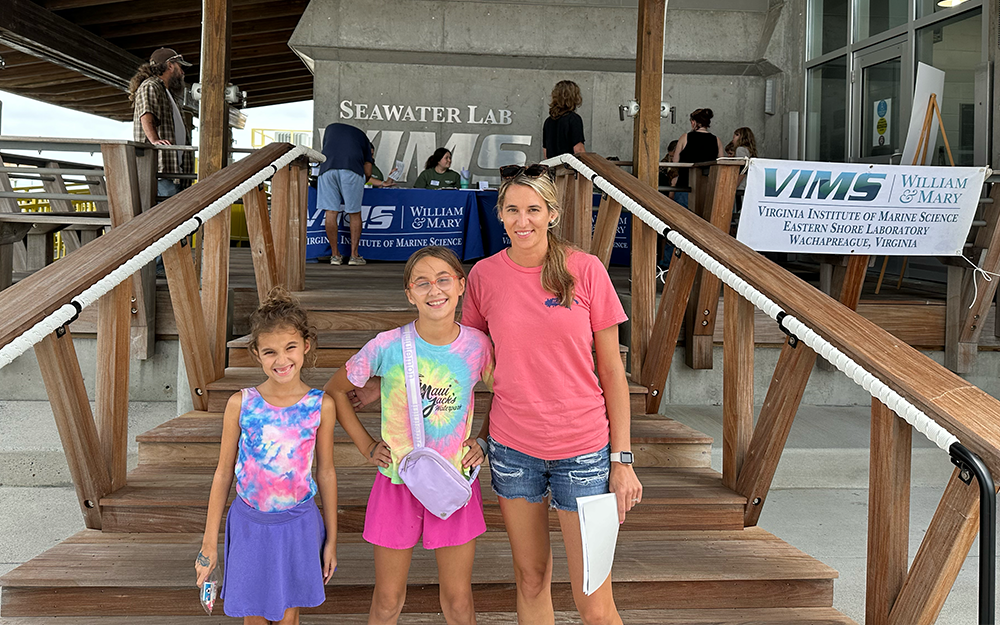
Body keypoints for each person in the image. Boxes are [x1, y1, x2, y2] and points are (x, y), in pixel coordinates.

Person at [463, 164, 642, 625]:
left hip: (583, 452)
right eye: (512, 209)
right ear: (500, 215)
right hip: (512, 450)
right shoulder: (483, 277)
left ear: (553, 214)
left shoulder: (585, 270)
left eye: (534, 209)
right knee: (531, 579)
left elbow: (612, 371)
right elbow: (463, 364)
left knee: (594, 600)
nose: (523, 220)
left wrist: (621, 459)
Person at [324, 246, 493, 625]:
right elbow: (335, 390)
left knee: (458, 600)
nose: (434, 290)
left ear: (461, 285)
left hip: (453, 481)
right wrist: (367, 445)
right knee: (386, 600)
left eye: (444, 280)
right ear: (409, 293)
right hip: (396, 483)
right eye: (422, 283)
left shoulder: (478, 347)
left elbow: (506, 393)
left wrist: (483, 440)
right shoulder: (387, 346)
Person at [195, 289, 337, 624]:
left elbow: (327, 472)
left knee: (289, 617)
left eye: (290, 347)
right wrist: (209, 543)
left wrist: (332, 539)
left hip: (299, 525)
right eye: (270, 351)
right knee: (253, 617)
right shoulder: (241, 404)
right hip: (249, 525)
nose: (281, 359)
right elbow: (223, 473)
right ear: (257, 355)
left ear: (306, 345)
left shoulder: (321, 406)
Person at [129, 47, 195, 199]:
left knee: (177, 216)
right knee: (168, 216)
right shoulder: (150, 86)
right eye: (180, 67)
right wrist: (154, 141)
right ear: (170, 65)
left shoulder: (168, 93)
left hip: (174, 169)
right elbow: (146, 114)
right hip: (160, 169)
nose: (183, 72)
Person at [319, 122, 375, 266]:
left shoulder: (330, 129)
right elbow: (368, 170)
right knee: (354, 213)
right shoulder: (364, 140)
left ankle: (335, 256)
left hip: (327, 169)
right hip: (351, 169)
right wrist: (363, 181)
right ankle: (354, 256)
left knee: (331, 212)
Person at [671, 108, 724, 208]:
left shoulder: (685, 137)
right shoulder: (716, 140)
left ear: (694, 122)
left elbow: (675, 161)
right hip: (707, 187)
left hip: (685, 184)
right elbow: (721, 163)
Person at [542, 80, 586, 159]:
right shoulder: (574, 119)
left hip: (553, 168)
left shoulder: (548, 121)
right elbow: (578, 150)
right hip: (569, 167)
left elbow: (546, 152)